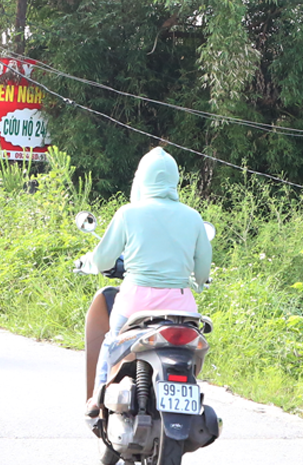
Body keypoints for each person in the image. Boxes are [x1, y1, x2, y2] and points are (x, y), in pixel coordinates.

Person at [81, 147, 212, 416]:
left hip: (134, 303)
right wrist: (196, 283)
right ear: (175, 180)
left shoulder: (129, 213)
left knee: (111, 341)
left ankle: (97, 398)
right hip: (181, 307)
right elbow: (201, 272)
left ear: (142, 179)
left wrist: (93, 264)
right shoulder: (193, 217)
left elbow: (104, 259)